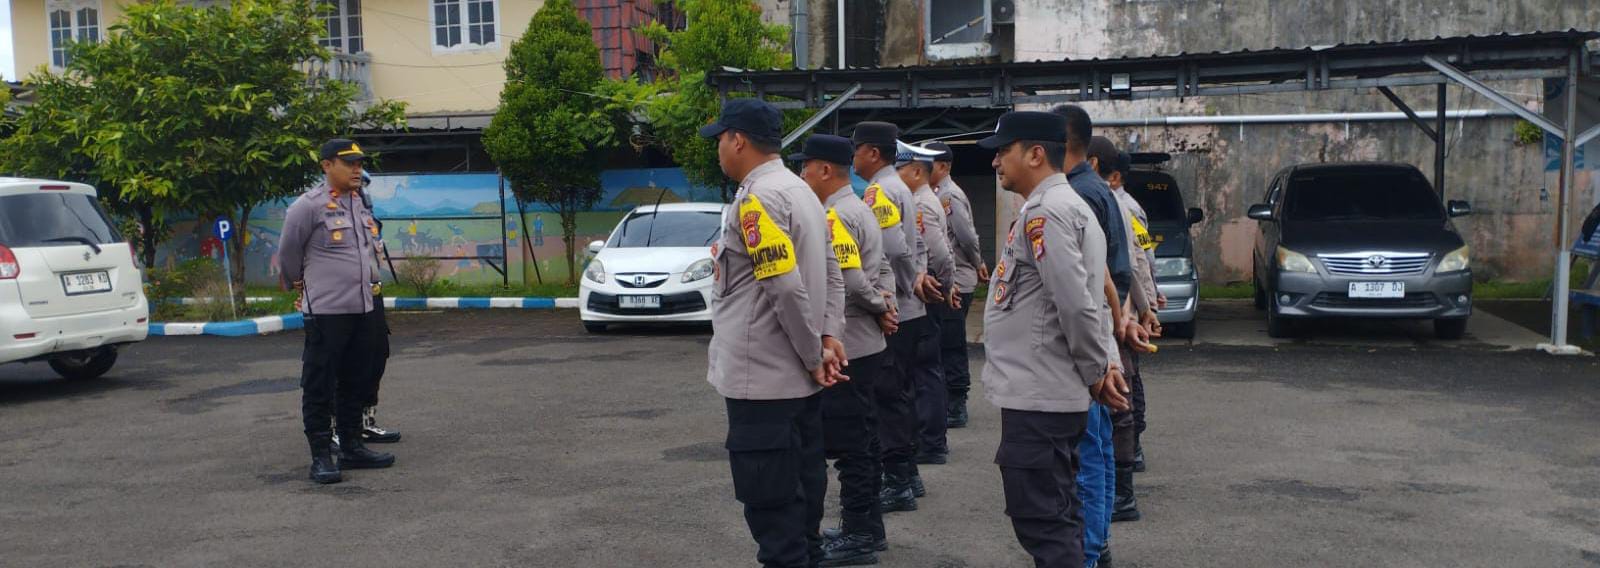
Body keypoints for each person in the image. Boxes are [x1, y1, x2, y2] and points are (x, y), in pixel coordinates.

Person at [701, 99, 848, 568]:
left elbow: (782, 283)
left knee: (775, 513)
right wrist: (829, 336)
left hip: (763, 382)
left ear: (738, 140)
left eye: (720, 139)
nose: (718, 149)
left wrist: (813, 354)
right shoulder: (802, 191)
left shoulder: (758, 199)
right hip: (798, 382)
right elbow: (832, 269)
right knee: (802, 501)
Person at [980, 110, 1130, 568]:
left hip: (1041, 395)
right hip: (1043, 391)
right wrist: (1105, 362)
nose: (995, 162)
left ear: (1035, 154)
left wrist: (1097, 371)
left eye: (1003, 151)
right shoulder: (1064, 206)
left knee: (1043, 520)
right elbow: (1093, 299)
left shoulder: (1048, 213)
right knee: (1058, 515)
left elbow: (1077, 304)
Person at [791, 134, 898, 566]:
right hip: (867, 341)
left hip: (849, 342)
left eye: (805, 167)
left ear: (824, 170)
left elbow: (850, 281)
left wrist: (879, 306)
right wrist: (887, 304)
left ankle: (859, 534)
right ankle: (868, 528)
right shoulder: (860, 207)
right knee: (865, 439)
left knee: (852, 446)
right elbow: (885, 266)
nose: (801, 175)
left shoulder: (834, 215)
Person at [278, 138, 397, 485]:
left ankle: (352, 446)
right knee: (320, 383)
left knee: (356, 380)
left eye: (359, 163)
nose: (357, 169)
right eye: (349, 163)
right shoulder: (307, 207)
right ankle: (321, 456)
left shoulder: (360, 203)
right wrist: (301, 284)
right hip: (327, 312)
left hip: (364, 307)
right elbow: (288, 254)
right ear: (327, 165)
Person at [850, 121, 929, 513]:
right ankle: (907, 473)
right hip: (906, 305)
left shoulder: (879, 190)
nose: (853, 158)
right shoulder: (897, 186)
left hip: (895, 307)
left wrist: (899, 288)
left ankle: (898, 480)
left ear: (872, 152)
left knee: (887, 396)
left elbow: (893, 248)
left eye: (856, 149)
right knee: (900, 392)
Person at [1086, 137, 1157, 526]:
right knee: (1121, 395)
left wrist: (1141, 309)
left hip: (1115, 312)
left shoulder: (1114, 205)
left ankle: (1122, 493)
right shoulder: (1110, 201)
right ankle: (1120, 487)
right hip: (1119, 310)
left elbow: (1133, 262)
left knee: (1119, 399)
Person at [1100, 147, 1162, 476]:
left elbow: (1141, 257)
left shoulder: (1125, 208)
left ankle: (1132, 444)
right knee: (1128, 375)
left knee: (1128, 377)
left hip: (1125, 305)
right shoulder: (1115, 203)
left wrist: (1148, 301)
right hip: (1126, 301)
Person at [895, 141, 957, 466]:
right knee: (926, 368)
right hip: (928, 287)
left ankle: (931, 441)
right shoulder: (921, 199)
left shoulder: (921, 203)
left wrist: (944, 287)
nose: (895, 175)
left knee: (925, 369)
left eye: (900, 169)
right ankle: (930, 438)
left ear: (917, 171)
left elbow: (941, 254)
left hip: (927, 290)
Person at [926, 142, 986, 430]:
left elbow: (966, 236)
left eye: (929, 164)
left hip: (958, 279)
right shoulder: (937, 193)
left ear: (943, 166)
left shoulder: (949, 196)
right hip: (949, 278)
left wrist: (977, 262)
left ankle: (956, 403)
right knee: (942, 343)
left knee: (951, 343)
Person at [357, 170, 401, 445]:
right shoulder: (327, 216)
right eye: (359, 186)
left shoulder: (369, 220)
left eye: (364, 186)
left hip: (373, 295)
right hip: (344, 299)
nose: (363, 192)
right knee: (346, 363)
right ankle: (337, 427)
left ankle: (366, 421)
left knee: (377, 355)